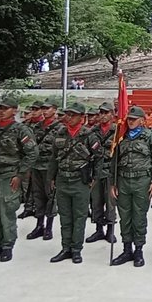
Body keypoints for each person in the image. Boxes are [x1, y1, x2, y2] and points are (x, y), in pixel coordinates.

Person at [0, 95, 37, 262]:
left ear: (14, 111)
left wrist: (20, 174)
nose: (0, 112)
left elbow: (32, 153)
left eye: (4, 109)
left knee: (6, 212)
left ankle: (8, 245)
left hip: (8, 176)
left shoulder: (21, 130)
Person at [110, 106, 152, 267]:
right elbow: (114, 161)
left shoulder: (151, 138)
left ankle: (139, 250)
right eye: (129, 119)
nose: (131, 122)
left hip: (142, 181)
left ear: (142, 120)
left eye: (134, 119)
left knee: (139, 217)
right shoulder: (121, 137)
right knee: (125, 217)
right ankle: (127, 249)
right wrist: (113, 183)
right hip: (123, 181)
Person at [47, 102, 102, 264]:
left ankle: (76, 249)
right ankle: (65, 248)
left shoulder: (89, 135)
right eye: (67, 114)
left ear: (81, 117)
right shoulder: (60, 133)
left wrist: (95, 179)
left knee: (79, 217)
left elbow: (99, 157)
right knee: (65, 216)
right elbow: (54, 158)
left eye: (73, 115)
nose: (69, 118)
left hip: (80, 181)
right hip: (63, 180)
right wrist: (51, 178)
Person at [25, 102, 60, 242]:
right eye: (43, 109)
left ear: (55, 110)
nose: (44, 111)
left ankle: (49, 228)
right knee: (38, 196)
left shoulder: (59, 128)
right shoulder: (36, 127)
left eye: (47, 108)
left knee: (50, 197)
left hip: (49, 167)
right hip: (36, 166)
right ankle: (39, 225)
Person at [86, 104, 118, 245]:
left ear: (112, 114)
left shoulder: (118, 131)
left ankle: (110, 231)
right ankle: (99, 229)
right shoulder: (93, 131)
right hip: (97, 171)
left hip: (111, 172)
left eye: (106, 112)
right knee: (96, 202)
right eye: (101, 112)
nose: (103, 115)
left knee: (111, 203)